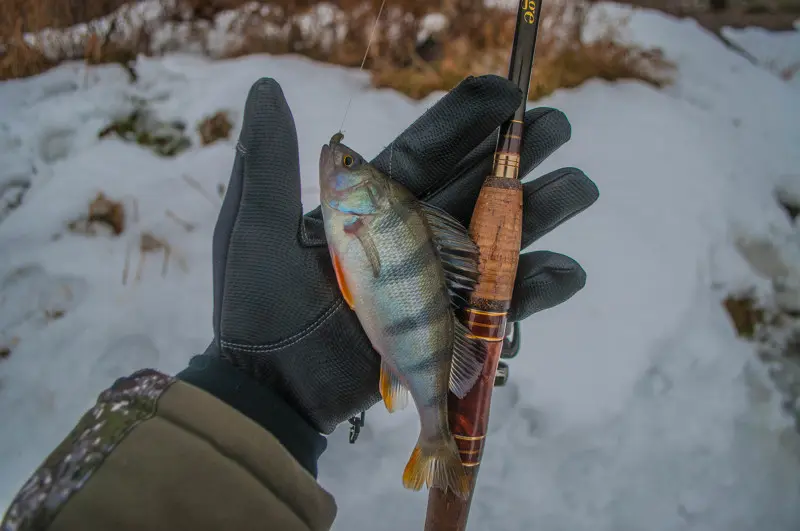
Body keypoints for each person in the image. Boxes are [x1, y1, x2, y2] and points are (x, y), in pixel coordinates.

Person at [1, 74, 598, 531]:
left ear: (362, 194)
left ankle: (432, 436)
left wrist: (251, 394)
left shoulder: (362, 218)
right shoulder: (359, 219)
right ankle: (431, 434)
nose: (336, 164)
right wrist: (261, 396)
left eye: (347, 166)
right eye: (346, 162)